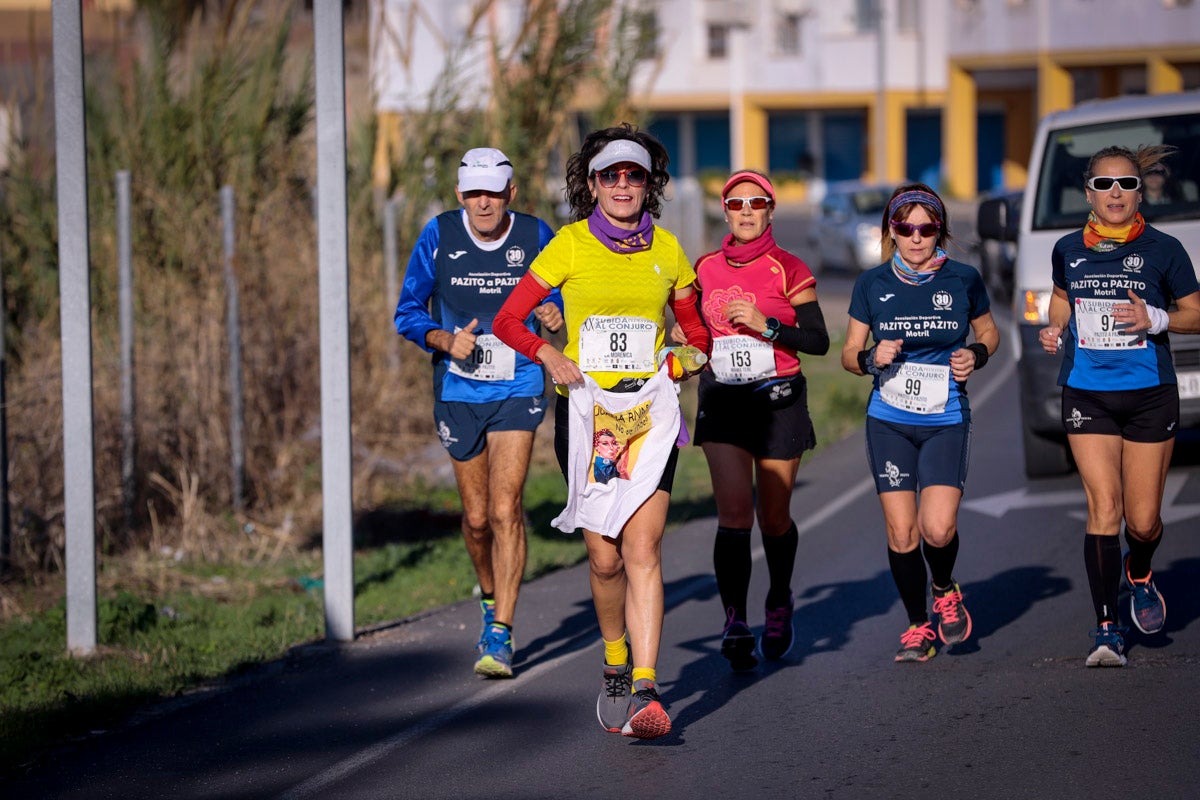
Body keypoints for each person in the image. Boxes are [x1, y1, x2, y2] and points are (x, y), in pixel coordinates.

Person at [493, 123, 710, 739]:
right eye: (610, 174)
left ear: (649, 184)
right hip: (587, 415)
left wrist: (681, 359)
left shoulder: (668, 250)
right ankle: (614, 660)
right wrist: (549, 355)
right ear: (592, 184)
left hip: (648, 414)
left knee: (643, 548)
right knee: (604, 557)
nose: (622, 184)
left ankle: (645, 685)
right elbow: (509, 319)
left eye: (633, 174)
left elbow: (698, 339)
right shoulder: (567, 245)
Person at [394, 147, 562, 679]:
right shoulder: (438, 236)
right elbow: (408, 313)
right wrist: (444, 339)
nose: (483, 203)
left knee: (506, 508)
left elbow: (559, 297)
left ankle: (502, 632)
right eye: (473, 193)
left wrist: (553, 311)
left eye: (493, 191)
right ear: (460, 194)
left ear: (511, 192)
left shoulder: (537, 236)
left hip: (520, 382)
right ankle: (489, 598)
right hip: (458, 388)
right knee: (475, 518)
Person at [1036, 145, 1200, 667]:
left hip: (1151, 393)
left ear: (1139, 191)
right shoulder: (1067, 247)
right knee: (1104, 507)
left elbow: (1195, 313)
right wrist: (1056, 324)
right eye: (1104, 185)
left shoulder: (1164, 248)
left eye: (1126, 184)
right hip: (1087, 392)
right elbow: (1062, 294)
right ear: (1088, 193)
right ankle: (1107, 628)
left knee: (1144, 520)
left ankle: (1141, 570)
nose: (1115, 194)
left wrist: (1156, 319)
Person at [840, 182, 999, 663]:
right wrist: (870, 358)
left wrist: (975, 353)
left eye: (926, 228)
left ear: (940, 231)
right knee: (903, 533)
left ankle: (945, 587)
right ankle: (916, 625)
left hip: (945, 416)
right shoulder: (871, 283)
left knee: (937, 529)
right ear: (892, 230)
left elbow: (989, 332)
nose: (915, 237)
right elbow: (848, 353)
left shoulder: (963, 279)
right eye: (905, 228)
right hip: (889, 419)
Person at [689, 169, 829, 671]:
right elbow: (689, 330)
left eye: (756, 202)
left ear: (770, 210)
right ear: (724, 212)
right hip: (724, 400)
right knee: (733, 515)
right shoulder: (703, 269)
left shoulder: (788, 268)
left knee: (772, 517)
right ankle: (733, 620)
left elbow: (817, 341)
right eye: (736, 203)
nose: (746, 211)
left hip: (778, 402)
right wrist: (683, 355)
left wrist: (767, 325)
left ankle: (778, 599)